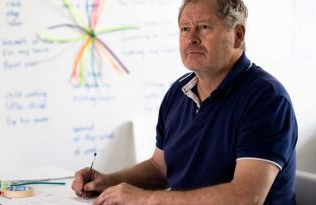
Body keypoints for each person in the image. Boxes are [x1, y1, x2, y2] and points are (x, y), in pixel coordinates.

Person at [72, 0, 298, 204]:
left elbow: (246, 197)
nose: (192, 39)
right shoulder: (177, 92)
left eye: (204, 27)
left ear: (238, 35)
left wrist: (147, 199)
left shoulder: (267, 99)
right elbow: (160, 169)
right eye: (185, 29)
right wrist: (108, 181)